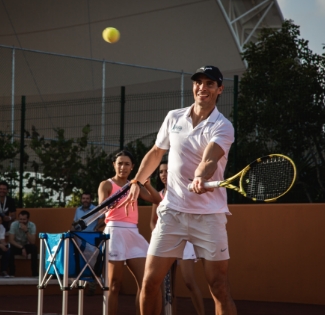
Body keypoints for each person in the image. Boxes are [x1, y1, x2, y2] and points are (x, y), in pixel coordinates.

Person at [123, 65, 237, 315]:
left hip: (209, 216)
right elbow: (156, 152)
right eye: (198, 82)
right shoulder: (174, 117)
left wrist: (199, 176)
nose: (202, 88)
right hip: (172, 212)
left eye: (209, 84)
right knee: (150, 283)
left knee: (218, 287)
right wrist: (137, 181)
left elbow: (210, 158)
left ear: (220, 89)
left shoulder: (223, 126)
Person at [98, 150, 162, 315]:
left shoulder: (134, 186)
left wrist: (146, 184)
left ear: (133, 167)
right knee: (114, 285)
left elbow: (157, 200)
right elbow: (101, 208)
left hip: (133, 233)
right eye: (119, 163)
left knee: (146, 282)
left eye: (127, 164)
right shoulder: (106, 184)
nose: (123, 167)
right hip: (114, 232)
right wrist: (108, 205)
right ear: (114, 165)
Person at [150, 161, 205, 315]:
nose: (164, 174)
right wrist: (159, 236)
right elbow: (153, 221)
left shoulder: (185, 190)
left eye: (167, 171)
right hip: (166, 241)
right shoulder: (159, 195)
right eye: (161, 172)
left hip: (185, 241)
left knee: (189, 282)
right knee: (168, 287)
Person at [8, 210, 38, 277]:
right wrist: (21, 247)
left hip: (26, 245)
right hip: (17, 245)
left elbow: (33, 241)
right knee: (9, 250)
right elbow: (11, 240)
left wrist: (26, 231)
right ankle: (12, 273)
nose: (22, 221)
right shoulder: (14, 225)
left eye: (24, 219)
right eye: (20, 219)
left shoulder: (32, 225)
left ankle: (34, 273)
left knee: (34, 248)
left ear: (28, 219)